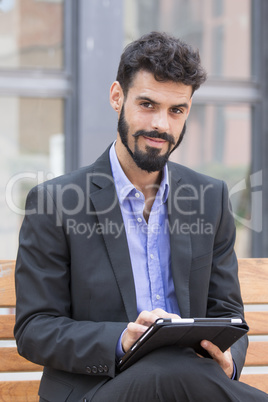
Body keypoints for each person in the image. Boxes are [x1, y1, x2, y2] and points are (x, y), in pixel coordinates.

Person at [14, 32, 267, 402]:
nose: (161, 125)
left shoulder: (209, 198)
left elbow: (228, 312)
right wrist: (122, 339)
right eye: (147, 104)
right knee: (166, 365)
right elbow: (36, 329)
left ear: (188, 110)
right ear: (117, 97)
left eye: (176, 110)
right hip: (97, 390)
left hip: (190, 386)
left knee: (176, 367)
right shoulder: (55, 201)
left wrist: (228, 359)